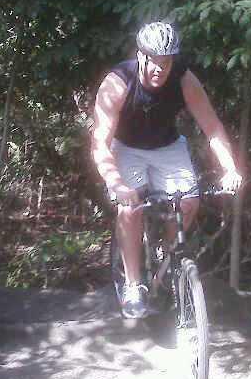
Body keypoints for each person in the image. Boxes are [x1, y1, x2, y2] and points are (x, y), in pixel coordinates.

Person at [91, 21, 242, 318]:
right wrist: (117, 184)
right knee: (130, 208)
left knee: (188, 201)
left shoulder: (184, 79)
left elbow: (212, 127)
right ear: (140, 55)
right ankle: (134, 284)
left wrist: (230, 168)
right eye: (154, 61)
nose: (160, 68)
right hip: (128, 147)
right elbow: (99, 142)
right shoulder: (119, 82)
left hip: (167, 147)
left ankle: (166, 252)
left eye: (167, 61)